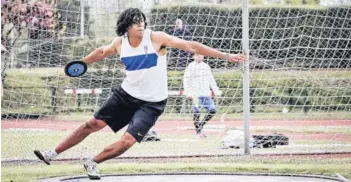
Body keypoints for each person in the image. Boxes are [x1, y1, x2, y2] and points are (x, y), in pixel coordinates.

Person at [34, 8, 246, 180]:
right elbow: (101, 51)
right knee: (91, 125)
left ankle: (93, 162)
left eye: (142, 20)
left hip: (152, 103)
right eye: (136, 21)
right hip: (125, 95)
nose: (141, 24)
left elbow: (190, 46)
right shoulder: (120, 43)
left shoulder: (156, 38)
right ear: (126, 25)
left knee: (127, 142)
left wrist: (226, 56)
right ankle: (51, 153)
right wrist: (82, 63)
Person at [183, 54, 221, 138]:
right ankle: (198, 132)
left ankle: (201, 125)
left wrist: (216, 91)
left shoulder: (206, 66)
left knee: (212, 110)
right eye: (197, 55)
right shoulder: (190, 67)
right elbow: (186, 80)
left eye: (201, 55)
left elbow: (211, 79)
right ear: (193, 56)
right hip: (195, 95)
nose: (199, 56)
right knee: (196, 112)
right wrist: (188, 93)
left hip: (206, 94)